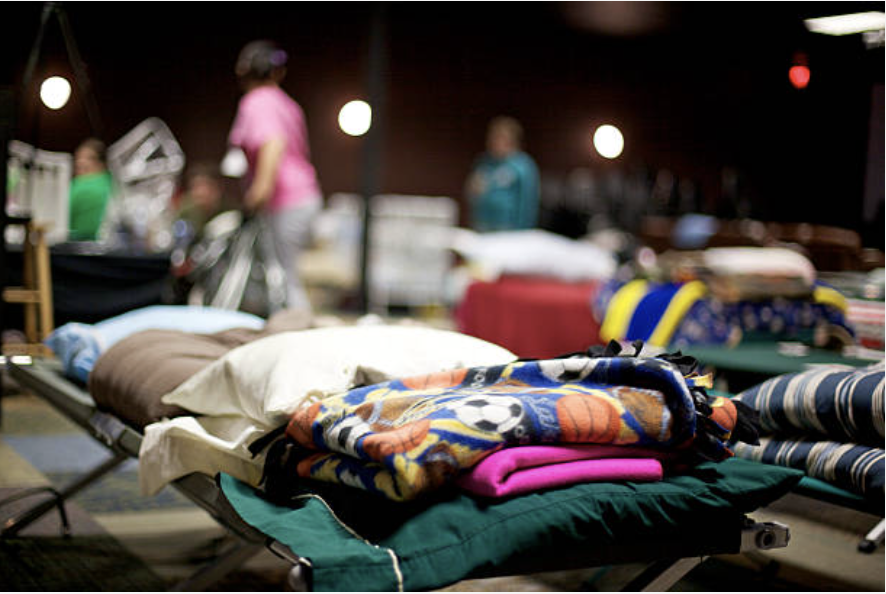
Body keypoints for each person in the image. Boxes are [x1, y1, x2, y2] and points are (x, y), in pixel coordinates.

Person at [227, 39, 322, 312]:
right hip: (303, 197)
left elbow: (273, 143)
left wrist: (258, 193)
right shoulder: (286, 103)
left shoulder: (257, 103)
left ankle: (295, 339)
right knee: (281, 275)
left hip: (285, 202)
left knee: (282, 278)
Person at [465, 116, 540, 232]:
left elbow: (528, 201)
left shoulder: (523, 165)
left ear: (511, 140)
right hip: (482, 223)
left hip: (508, 226)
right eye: (491, 138)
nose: (493, 142)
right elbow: (472, 194)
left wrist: (523, 230)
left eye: (499, 138)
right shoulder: (483, 162)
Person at [68, 137, 114, 241]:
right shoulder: (117, 185)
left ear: (101, 163)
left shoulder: (79, 185)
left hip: (74, 250)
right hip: (111, 251)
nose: (79, 163)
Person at [174, 161, 227, 241]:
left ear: (217, 189)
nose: (199, 193)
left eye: (204, 187)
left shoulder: (228, 213)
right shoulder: (186, 211)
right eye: (195, 187)